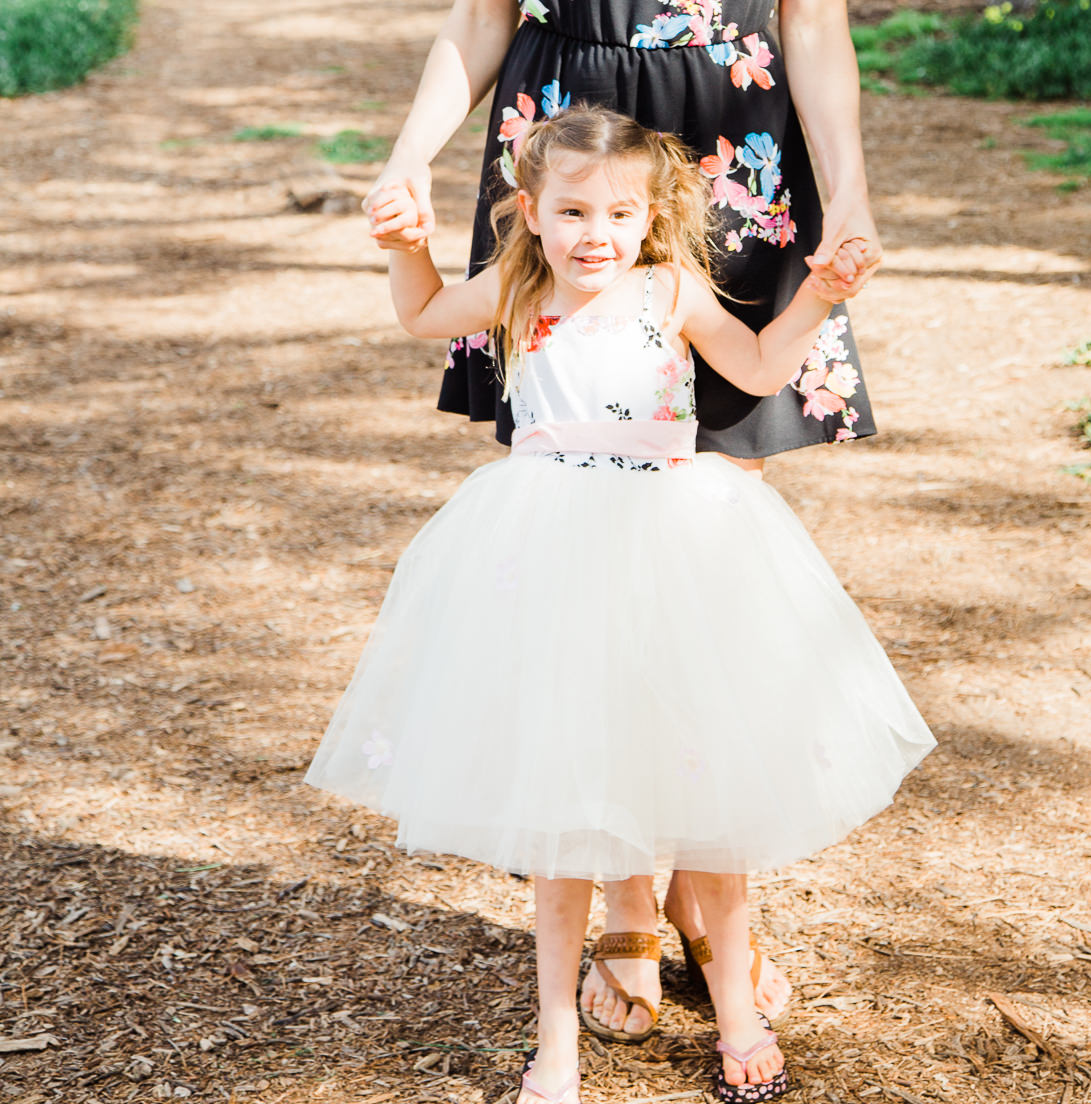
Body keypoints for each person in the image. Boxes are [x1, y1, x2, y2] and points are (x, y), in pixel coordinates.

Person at [365, 0, 895, 1050]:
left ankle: (726, 931)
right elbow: (478, 10)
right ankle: (619, 906)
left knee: (697, 553)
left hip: (732, 186)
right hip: (568, 180)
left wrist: (849, 201)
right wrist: (409, 151)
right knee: (580, 541)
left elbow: (815, 25)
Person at [309, 107, 934, 1103]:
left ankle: (735, 1009)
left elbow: (766, 367)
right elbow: (423, 314)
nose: (593, 231)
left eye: (617, 211)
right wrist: (405, 247)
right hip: (547, 553)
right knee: (567, 815)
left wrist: (820, 292)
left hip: (673, 546)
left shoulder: (671, 290)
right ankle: (555, 1038)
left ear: (651, 217)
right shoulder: (519, 286)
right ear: (529, 211)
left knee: (704, 795)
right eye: (570, 210)